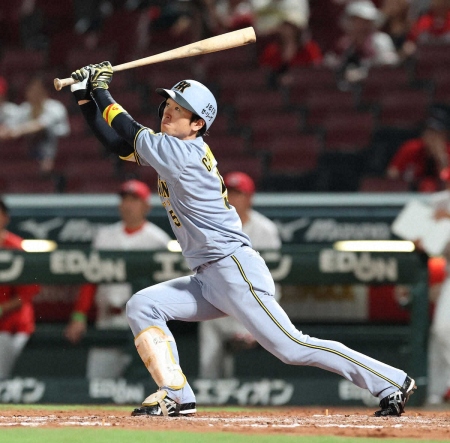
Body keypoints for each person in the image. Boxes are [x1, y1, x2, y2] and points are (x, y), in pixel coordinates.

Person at [69, 61, 416, 418]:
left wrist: (101, 90)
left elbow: (128, 128)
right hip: (208, 276)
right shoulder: (172, 150)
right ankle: (176, 394)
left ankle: (391, 380)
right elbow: (118, 144)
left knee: (293, 347)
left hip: (234, 268)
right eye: (168, 106)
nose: (168, 113)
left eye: (179, 109)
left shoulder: (183, 152)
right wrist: (84, 97)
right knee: (143, 305)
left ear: (197, 124)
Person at [64, 179, 171, 379]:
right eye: (125, 199)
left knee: (148, 384)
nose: (128, 205)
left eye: (134, 199)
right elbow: (90, 279)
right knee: (97, 383)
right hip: (108, 319)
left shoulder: (158, 240)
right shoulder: (104, 236)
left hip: (145, 323)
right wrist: (79, 315)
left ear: (146, 206)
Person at [198, 171, 282, 379]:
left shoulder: (265, 230)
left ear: (249, 198)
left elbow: (273, 277)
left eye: (238, 194)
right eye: (229, 193)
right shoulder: (210, 227)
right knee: (207, 329)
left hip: (252, 307)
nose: (232, 199)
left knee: (245, 366)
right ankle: (207, 386)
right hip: (221, 305)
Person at [0, 198, 40, 379]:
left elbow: (27, 294)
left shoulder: (16, 246)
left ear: (6, 218)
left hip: (12, 326)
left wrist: (2, 308)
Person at [0, 74, 70, 176]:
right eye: (31, 89)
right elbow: (9, 127)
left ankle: (47, 167)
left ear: (45, 91)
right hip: (32, 149)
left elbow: (41, 125)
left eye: (37, 90)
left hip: (59, 151)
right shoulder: (24, 109)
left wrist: (18, 130)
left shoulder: (55, 107)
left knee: (46, 132)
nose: (34, 93)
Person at [324, 0, 399, 86]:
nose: (362, 26)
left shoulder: (380, 40)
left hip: (375, 88)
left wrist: (363, 74)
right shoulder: (344, 44)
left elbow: (389, 67)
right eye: (357, 21)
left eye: (365, 21)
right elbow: (331, 64)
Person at [386, 108, 450, 192]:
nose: (431, 137)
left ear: (444, 135)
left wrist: (441, 158)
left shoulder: (447, 151)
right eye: (428, 132)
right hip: (411, 193)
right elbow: (391, 174)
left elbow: (447, 182)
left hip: (441, 194)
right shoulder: (411, 148)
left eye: (436, 133)